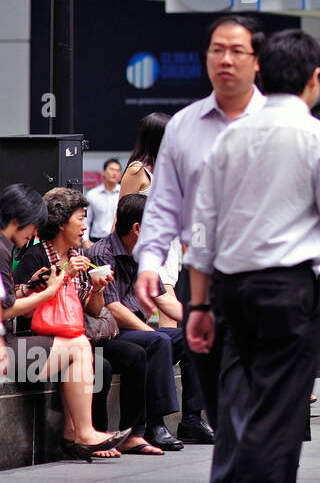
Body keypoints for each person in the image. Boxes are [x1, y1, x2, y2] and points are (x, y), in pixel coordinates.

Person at [185, 29, 320, 483]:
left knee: (249, 412)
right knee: (274, 422)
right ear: (316, 80)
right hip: (287, 293)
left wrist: (200, 305)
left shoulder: (229, 137)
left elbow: (201, 229)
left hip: (229, 291)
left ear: (261, 75)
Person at [133, 15, 267, 483]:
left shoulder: (281, 124)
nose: (226, 59)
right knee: (218, 395)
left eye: (237, 50)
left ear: (256, 60)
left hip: (269, 283)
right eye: (216, 49)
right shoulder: (186, 125)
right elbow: (162, 205)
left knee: (240, 395)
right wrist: (148, 263)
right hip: (202, 282)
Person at [16, 188, 182, 456]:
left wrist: (97, 288)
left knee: (135, 354)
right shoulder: (36, 258)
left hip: (79, 335)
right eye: (80, 219)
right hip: (45, 339)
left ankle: (134, 432)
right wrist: (62, 278)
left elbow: (92, 311)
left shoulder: (78, 257)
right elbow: (24, 313)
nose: (85, 226)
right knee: (100, 364)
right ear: (60, 222)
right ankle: (94, 434)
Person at [0, 184, 128, 461]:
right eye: (32, 225)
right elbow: (7, 312)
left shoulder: (10, 249)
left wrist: (95, 288)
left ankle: (80, 432)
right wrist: (49, 289)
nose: (34, 233)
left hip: (23, 342)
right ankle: (81, 433)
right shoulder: (18, 252)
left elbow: (90, 310)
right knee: (82, 347)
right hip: (17, 344)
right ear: (16, 221)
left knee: (90, 351)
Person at [88, 193, 207, 443]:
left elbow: (163, 299)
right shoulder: (103, 253)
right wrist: (150, 331)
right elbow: (113, 308)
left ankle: (192, 420)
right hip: (114, 332)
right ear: (138, 228)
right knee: (158, 341)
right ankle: (155, 424)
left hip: (136, 330)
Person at [120, 113, 185, 329]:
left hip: (172, 245)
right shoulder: (138, 170)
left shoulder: (168, 167)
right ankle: (166, 358)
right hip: (148, 244)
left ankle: (158, 354)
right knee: (167, 306)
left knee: (152, 306)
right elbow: (123, 212)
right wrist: (118, 248)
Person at [84, 159, 122, 243]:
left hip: (119, 240)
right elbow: (86, 219)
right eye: (112, 169)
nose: (114, 173)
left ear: (120, 175)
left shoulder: (124, 193)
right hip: (97, 240)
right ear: (103, 172)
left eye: (117, 171)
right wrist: (85, 240)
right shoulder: (92, 194)